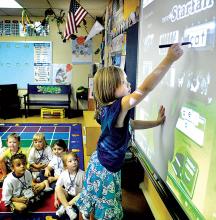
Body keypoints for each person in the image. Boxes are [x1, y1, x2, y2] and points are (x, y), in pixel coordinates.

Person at [75, 44, 184, 219]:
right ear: (112, 88)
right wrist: (169, 59)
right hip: (106, 169)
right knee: (107, 210)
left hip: (100, 163)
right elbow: (145, 89)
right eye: (125, 82)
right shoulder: (118, 106)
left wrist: (156, 122)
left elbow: (132, 124)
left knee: (95, 201)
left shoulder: (106, 108)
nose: (129, 84)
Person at [55, 152, 85, 220]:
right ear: (65, 165)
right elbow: (57, 187)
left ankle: (65, 206)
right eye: (70, 161)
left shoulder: (82, 174)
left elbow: (86, 190)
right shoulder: (63, 174)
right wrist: (56, 200)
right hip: (68, 195)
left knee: (83, 193)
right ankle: (69, 209)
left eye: (75, 160)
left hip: (77, 196)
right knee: (57, 187)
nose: (74, 162)